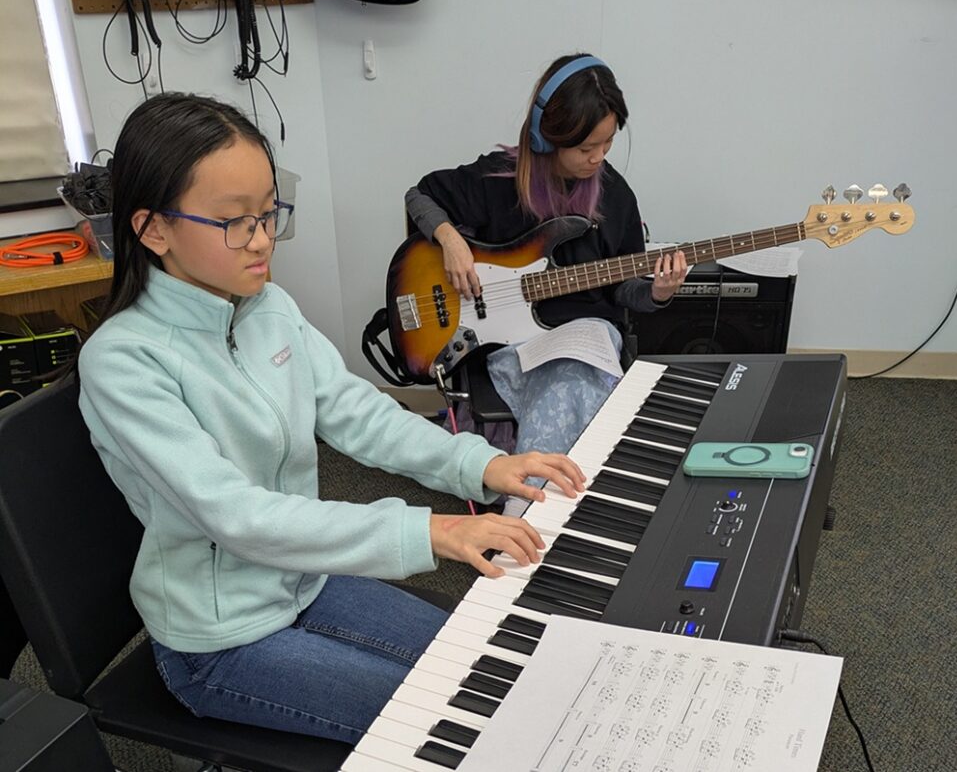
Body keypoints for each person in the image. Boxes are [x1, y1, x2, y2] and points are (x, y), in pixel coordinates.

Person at [75, 92, 586, 744]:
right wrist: (428, 529)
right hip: (221, 641)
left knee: (487, 672)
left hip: (307, 583)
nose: (263, 241)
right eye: (236, 222)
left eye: (269, 214)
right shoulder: (123, 362)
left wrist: (482, 462)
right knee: (464, 728)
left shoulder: (266, 306)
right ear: (152, 229)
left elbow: (355, 412)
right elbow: (241, 517)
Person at [406, 52, 688, 462]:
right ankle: (547, 504)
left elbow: (626, 292)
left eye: (608, 142)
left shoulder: (616, 196)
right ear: (545, 137)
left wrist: (659, 293)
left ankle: (528, 503)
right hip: (510, 344)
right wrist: (449, 240)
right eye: (586, 147)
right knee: (566, 397)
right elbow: (420, 195)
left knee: (570, 385)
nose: (599, 157)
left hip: (584, 344)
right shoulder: (498, 180)